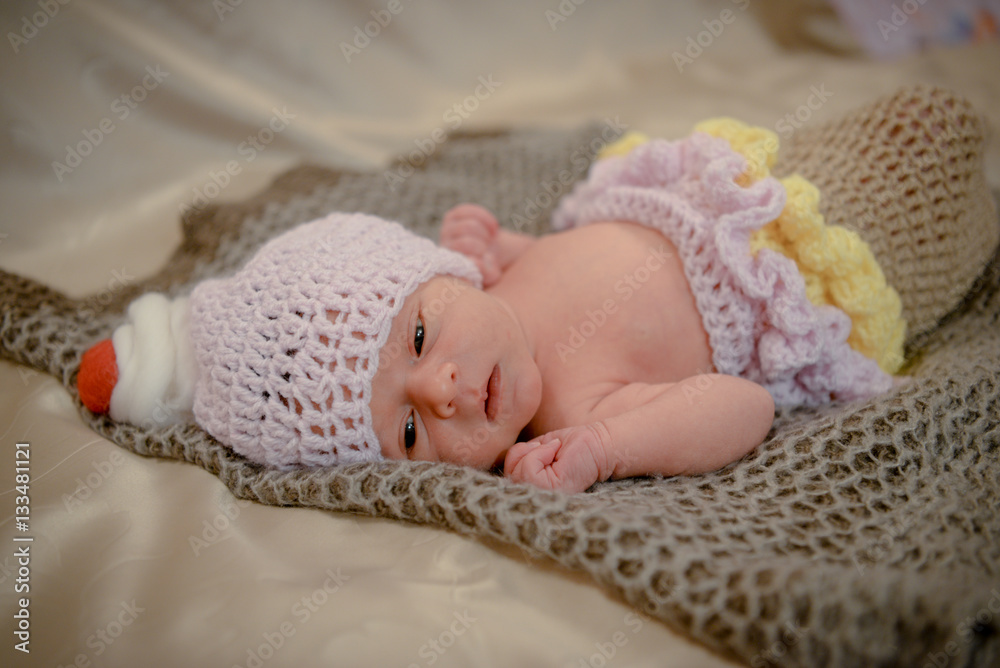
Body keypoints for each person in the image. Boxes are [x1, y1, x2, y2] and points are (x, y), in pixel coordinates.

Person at [77, 85, 997, 493]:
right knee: (941, 194)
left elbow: (580, 253)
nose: (439, 393)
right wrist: (606, 446)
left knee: (905, 119)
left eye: (422, 340)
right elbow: (743, 405)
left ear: (445, 276)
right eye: (406, 430)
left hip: (747, 198)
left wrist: (508, 244)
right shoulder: (564, 413)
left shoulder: (503, 273)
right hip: (810, 279)